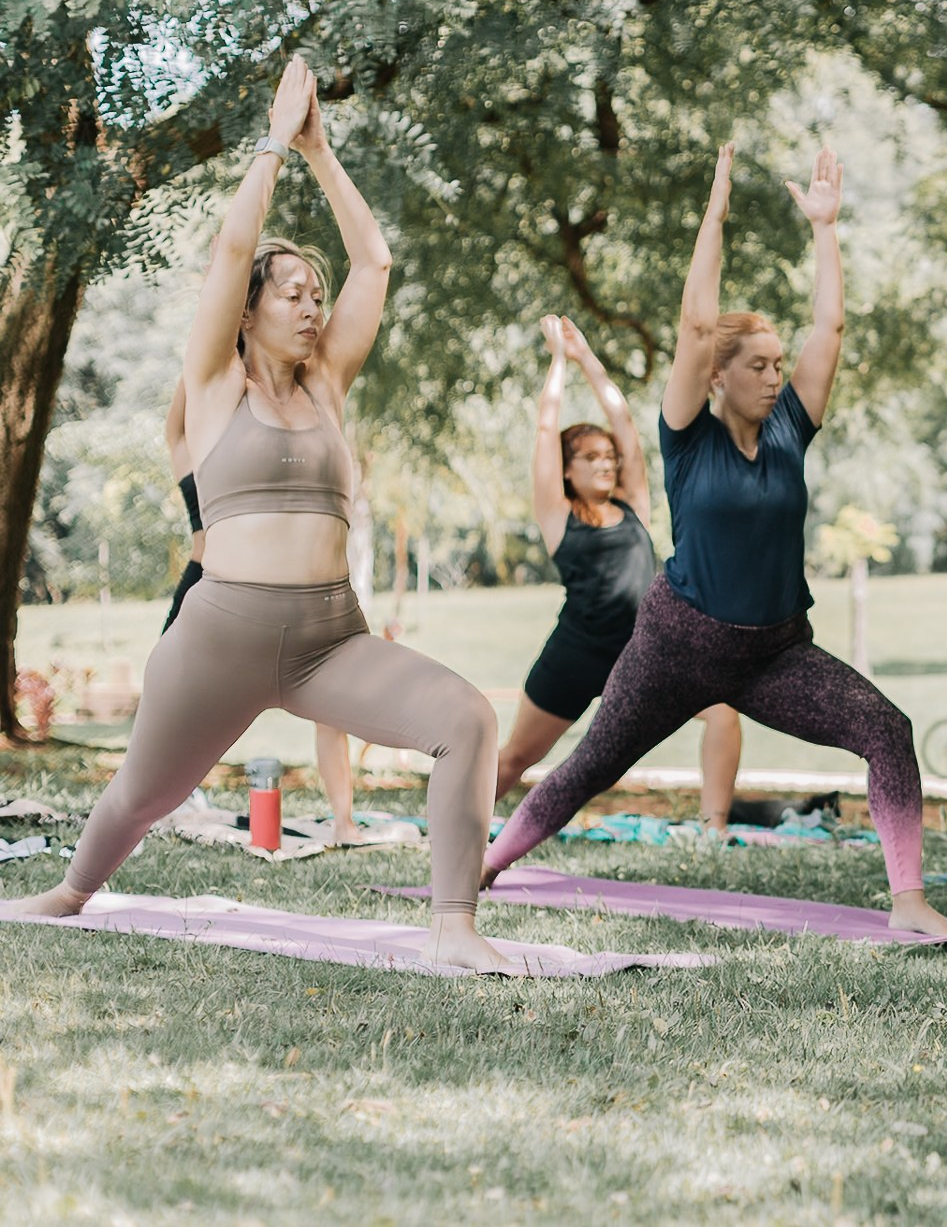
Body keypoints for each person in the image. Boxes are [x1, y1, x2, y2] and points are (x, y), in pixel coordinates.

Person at [2, 58, 509, 970]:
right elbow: (232, 252)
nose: (313, 308)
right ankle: (72, 892)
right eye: (293, 295)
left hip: (330, 639)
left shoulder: (329, 384)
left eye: (318, 298)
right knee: (141, 795)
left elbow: (376, 261)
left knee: (466, 717)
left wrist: (322, 152)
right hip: (221, 635)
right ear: (247, 313)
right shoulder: (211, 384)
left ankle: (453, 929)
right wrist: (274, 142)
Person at [484, 144, 947, 935]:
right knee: (592, 765)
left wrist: (825, 230)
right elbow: (697, 321)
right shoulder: (686, 437)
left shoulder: (789, 434)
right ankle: (488, 865)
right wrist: (715, 216)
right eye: (759, 365)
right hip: (678, 642)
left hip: (775, 651)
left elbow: (830, 324)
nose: (776, 376)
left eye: (780, 364)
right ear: (718, 374)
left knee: (888, 731)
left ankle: (909, 901)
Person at [494, 314, 744, 833]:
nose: (607, 464)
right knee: (515, 758)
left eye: (609, 457)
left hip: (646, 648)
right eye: (590, 458)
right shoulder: (557, 517)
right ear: (567, 469)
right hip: (576, 654)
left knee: (722, 713)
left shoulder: (633, 505)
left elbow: (627, 424)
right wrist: (559, 361)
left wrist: (588, 357)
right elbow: (545, 427)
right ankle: (458, 819)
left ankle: (713, 829)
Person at [166, 379, 365, 845]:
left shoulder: (264, 445)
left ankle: (344, 819)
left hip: (280, 591)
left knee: (330, 707)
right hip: (206, 588)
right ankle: (159, 801)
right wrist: (199, 357)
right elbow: (175, 430)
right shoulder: (209, 451)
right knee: (173, 701)